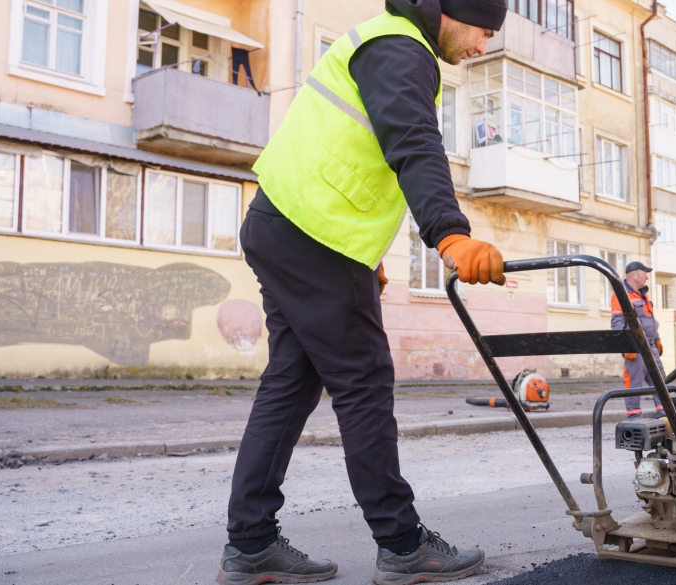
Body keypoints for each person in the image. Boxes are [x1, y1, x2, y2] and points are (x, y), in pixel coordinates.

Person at [218, 2, 509, 585]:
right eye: (484, 31)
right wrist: (450, 235)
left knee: (292, 381)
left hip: (284, 223)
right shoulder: (403, 50)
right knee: (364, 381)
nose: (482, 47)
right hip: (316, 236)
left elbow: (360, 152)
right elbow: (412, 143)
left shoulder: (382, 41)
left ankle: (251, 542)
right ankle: (402, 545)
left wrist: (371, 255)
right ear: (455, 12)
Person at [611, 261, 667, 419]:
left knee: (661, 382)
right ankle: (634, 418)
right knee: (633, 385)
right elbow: (617, 323)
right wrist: (625, 345)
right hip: (634, 348)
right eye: (644, 273)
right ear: (634, 275)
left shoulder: (644, 295)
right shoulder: (620, 296)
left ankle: (666, 415)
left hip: (650, 346)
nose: (647, 277)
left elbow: (650, 320)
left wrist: (657, 339)